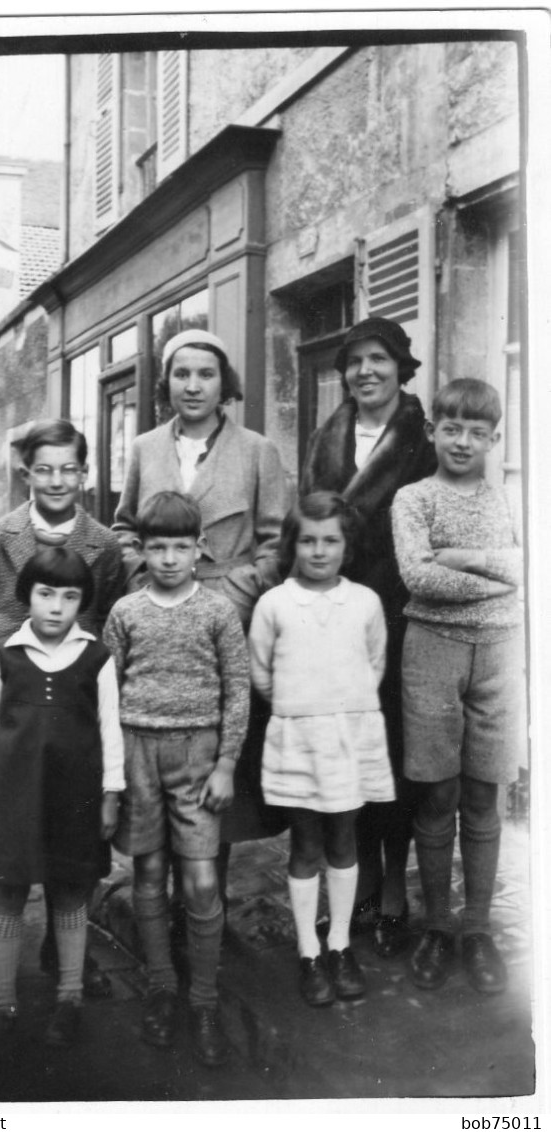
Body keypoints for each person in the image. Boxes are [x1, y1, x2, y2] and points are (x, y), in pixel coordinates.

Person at [0, 419, 125, 1001]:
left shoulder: (102, 544)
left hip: (74, 700)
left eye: (69, 469)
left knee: (69, 830)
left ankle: (62, 948)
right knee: (5, 832)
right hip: (13, 703)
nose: (57, 480)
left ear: (85, 472)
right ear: (27, 474)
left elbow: (108, 617)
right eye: (45, 469)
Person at [112, 328, 289, 861]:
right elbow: (123, 529)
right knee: (157, 760)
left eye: (206, 374)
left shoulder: (258, 450)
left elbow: (277, 541)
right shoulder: (145, 448)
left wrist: (240, 590)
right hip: (158, 619)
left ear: (223, 383)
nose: (194, 386)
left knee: (220, 764)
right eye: (182, 374)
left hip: (225, 621)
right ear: (167, 383)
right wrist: (144, 578)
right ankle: (158, 896)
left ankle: (210, 897)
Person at [300, 317, 437, 957]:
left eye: (378, 359)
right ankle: (362, 877)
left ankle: (392, 889)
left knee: (397, 756)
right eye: (354, 361)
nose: (365, 372)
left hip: (405, 614)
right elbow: (306, 525)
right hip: (337, 617)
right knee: (347, 751)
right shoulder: (326, 437)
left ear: (400, 367)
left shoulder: (422, 438)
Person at [103, 491, 250, 1067]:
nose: (168, 558)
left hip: (199, 757)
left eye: (180, 546)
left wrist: (227, 763)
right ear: (140, 549)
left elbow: (237, 689)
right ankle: (163, 988)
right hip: (138, 751)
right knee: (148, 874)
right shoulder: (126, 612)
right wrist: (113, 776)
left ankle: (204, 999)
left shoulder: (217, 611)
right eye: (156, 546)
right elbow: (107, 693)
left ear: (200, 548)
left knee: (201, 884)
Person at [0, 546, 125, 1046]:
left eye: (69, 597)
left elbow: (109, 730)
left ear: (82, 603)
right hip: (14, 799)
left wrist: (110, 794)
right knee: (7, 893)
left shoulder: (96, 658)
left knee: (71, 893)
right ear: (27, 595)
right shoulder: (4, 658)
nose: (56, 607)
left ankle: (69, 997)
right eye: (45, 594)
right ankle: (3, 1003)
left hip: (74, 798)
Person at [391, 378, 523, 995]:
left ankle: (478, 928)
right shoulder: (413, 500)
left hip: (499, 654)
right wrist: (501, 577)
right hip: (432, 652)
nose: (463, 442)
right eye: (452, 429)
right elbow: (419, 577)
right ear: (432, 432)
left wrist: (464, 559)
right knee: (436, 794)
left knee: (484, 794)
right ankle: (438, 927)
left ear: (494, 439)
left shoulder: (513, 500)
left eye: (477, 432)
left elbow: (532, 568)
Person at [249, 491, 395, 1006]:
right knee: (306, 844)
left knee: (344, 839)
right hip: (299, 740)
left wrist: (343, 709)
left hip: (348, 739)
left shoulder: (364, 603)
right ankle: (309, 951)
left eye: (330, 540)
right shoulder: (274, 605)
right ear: (292, 545)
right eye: (307, 541)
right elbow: (262, 673)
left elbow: (373, 663)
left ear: (346, 546)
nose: (318, 551)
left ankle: (339, 944)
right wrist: (302, 708)